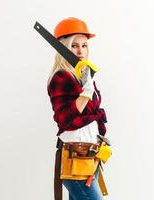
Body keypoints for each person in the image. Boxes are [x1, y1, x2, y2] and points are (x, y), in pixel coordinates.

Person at [47, 17, 108, 200]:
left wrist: (87, 83)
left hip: (90, 158)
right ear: (63, 47)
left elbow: (93, 114)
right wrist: (86, 92)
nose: (80, 51)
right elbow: (65, 119)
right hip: (75, 159)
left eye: (84, 45)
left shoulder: (82, 75)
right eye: (74, 45)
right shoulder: (61, 77)